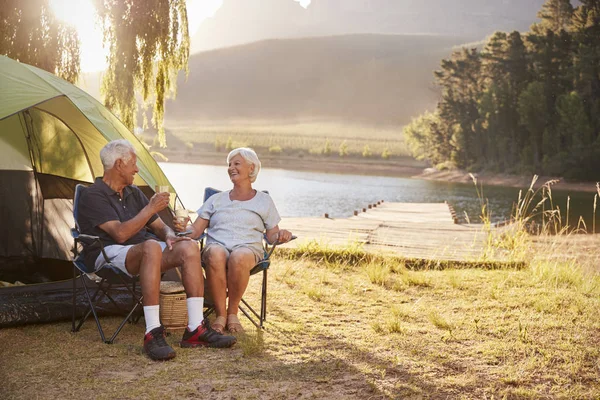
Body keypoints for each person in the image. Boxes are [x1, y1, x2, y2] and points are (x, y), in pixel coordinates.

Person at [78, 139, 236, 361]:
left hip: (146, 252)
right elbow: (120, 234)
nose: (136, 169)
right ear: (119, 164)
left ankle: (195, 328)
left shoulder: (133, 192)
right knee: (151, 246)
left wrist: (171, 235)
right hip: (109, 253)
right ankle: (152, 332)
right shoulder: (93, 195)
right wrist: (150, 207)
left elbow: (159, 227)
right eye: (133, 163)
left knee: (188, 247)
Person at [174, 147, 293, 333]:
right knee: (215, 252)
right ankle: (221, 315)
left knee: (239, 256)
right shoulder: (216, 199)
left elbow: (271, 236)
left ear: (251, 168)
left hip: (248, 249)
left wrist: (281, 235)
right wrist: (184, 230)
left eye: (236, 163)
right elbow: (196, 231)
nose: (231, 168)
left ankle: (233, 312)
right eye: (229, 164)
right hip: (217, 246)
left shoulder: (263, 201)